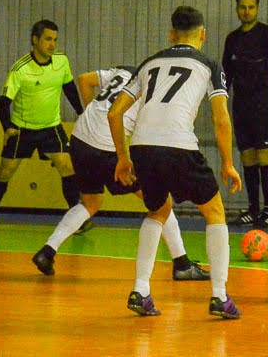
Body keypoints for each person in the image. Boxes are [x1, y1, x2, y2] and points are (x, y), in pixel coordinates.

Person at [108, 6, 243, 318]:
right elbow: (221, 119)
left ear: (171, 35)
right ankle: (220, 296)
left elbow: (115, 113)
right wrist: (228, 163)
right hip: (178, 144)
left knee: (158, 211)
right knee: (215, 212)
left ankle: (141, 290)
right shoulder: (209, 64)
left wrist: (122, 158)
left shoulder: (149, 63)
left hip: (142, 146)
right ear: (203, 35)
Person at [31, 66, 209, 281]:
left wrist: (89, 113)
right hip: (106, 149)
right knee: (162, 203)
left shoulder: (123, 71)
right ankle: (182, 264)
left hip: (80, 140)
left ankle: (47, 252)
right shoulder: (153, 90)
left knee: (90, 203)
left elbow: (84, 79)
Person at [0, 19, 88, 232]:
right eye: (48, 39)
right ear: (35, 40)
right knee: (5, 171)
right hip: (23, 129)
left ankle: (76, 219)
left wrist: (82, 113)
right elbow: (3, 103)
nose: (52, 44)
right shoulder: (20, 69)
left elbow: (69, 88)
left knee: (67, 166)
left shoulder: (61, 62)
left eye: (55, 40)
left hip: (51, 127)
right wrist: (7, 127)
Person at [223, 0, 268, 229]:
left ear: (257, 9)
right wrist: (221, 104)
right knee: (247, 158)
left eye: (251, 7)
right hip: (240, 104)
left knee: (263, 156)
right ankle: (253, 209)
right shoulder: (232, 39)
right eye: (242, 7)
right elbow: (226, 75)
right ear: (237, 10)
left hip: (262, 103)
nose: (246, 11)